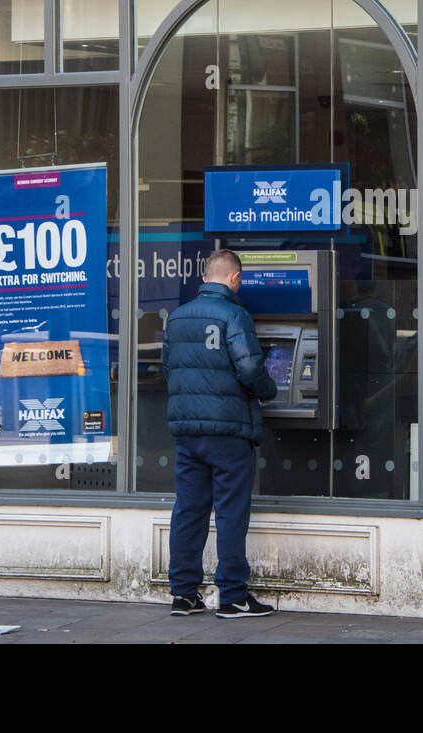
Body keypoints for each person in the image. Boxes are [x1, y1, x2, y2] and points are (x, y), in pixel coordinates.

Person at [161, 248, 278, 618]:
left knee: (189, 509)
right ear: (234, 278)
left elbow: (169, 368)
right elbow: (250, 369)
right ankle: (232, 596)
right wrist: (269, 391)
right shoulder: (234, 314)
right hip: (228, 431)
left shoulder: (177, 318)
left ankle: (184, 594)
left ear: (205, 276)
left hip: (187, 431)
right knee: (230, 512)